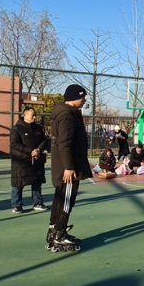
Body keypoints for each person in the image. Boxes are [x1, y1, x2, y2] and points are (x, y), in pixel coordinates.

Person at [47, 84, 92, 252]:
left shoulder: (67, 113)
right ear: (76, 97)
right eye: (83, 97)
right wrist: (69, 167)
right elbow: (64, 143)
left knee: (60, 200)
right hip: (68, 168)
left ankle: (54, 230)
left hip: (65, 165)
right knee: (66, 201)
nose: (85, 100)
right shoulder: (67, 116)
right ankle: (59, 234)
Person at [9, 106, 49, 213]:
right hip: (21, 161)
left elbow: (44, 141)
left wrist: (39, 150)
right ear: (25, 115)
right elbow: (15, 144)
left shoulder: (38, 128)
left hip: (36, 160)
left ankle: (37, 203)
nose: (35, 117)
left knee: (37, 181)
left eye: (35, 115)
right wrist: (31, 150)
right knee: (19, 182)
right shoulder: (16, 129)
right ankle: (17, 205)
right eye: (32, 115)